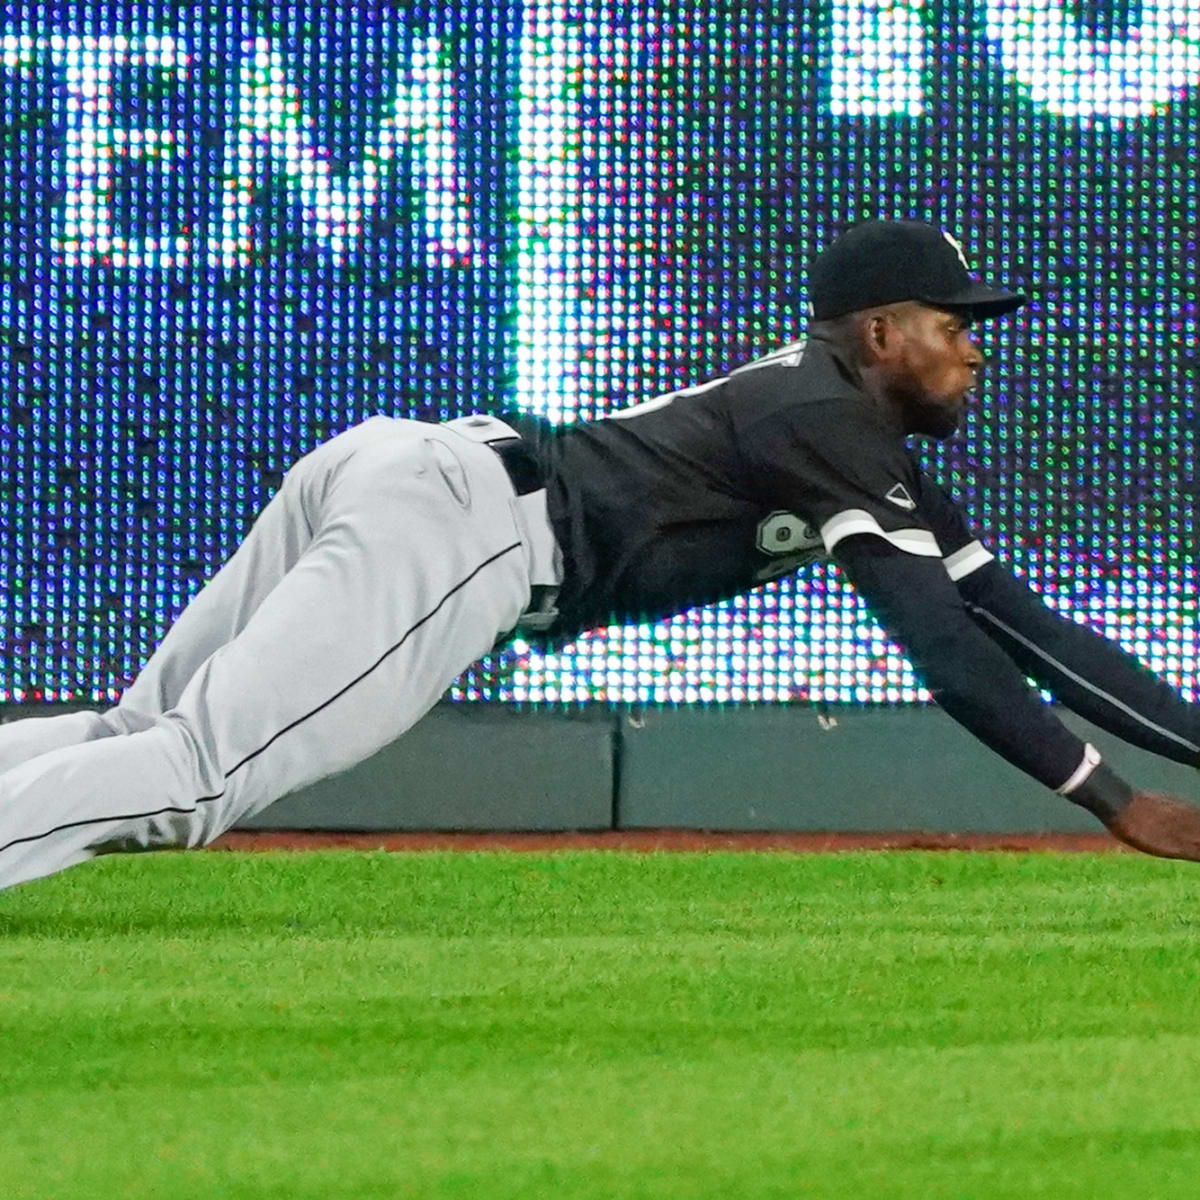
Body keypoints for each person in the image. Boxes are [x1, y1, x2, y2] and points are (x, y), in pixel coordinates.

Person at [2, 218, 1199, 890]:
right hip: (470, 535)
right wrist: (1108, 799)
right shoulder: (823, 416)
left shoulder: (850, 440)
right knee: (197, 781)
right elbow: (939, 645)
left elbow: (1035, 635)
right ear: (880, 334)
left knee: (140, 739)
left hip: (420, 476)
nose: (971, 352)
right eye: (952, 328)